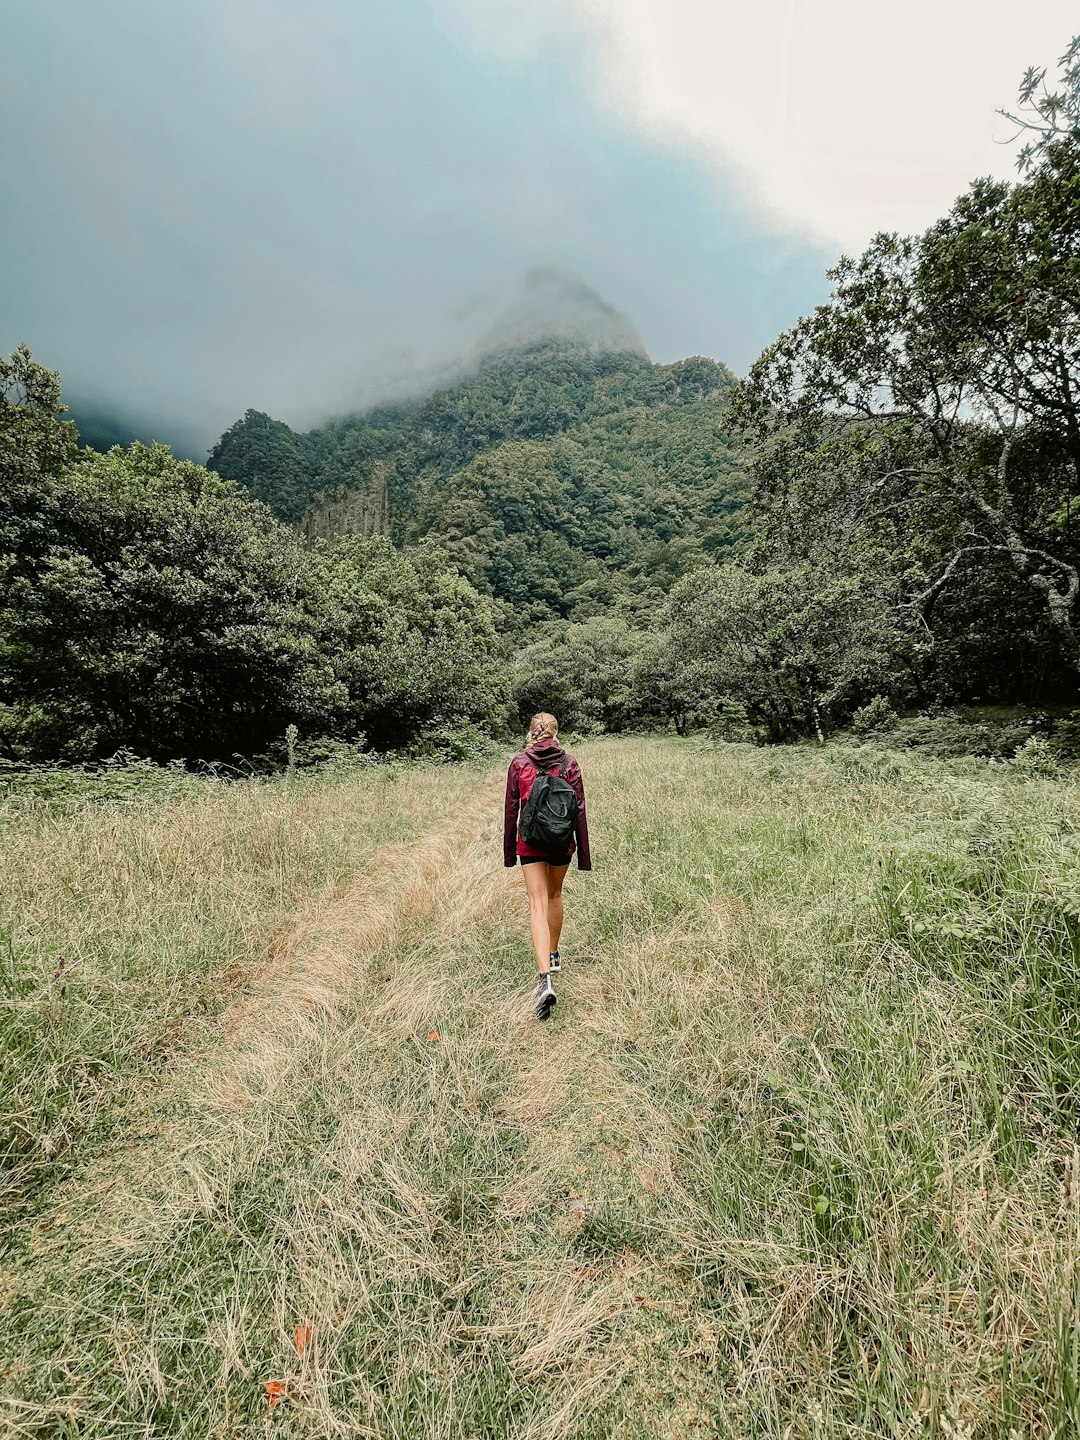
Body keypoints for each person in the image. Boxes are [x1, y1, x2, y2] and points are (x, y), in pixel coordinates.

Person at [503, 712, 591, 1019]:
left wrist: (509, 852)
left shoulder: (519, 763)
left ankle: (545, 981)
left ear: (531, 734)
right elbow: (579, 811)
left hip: (530, 843)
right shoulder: (570, 763)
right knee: (555, 895)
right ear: (556, 733)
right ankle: (553, 954)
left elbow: (511, 810)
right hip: (562, 843)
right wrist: (583, 854)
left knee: (537, 903)